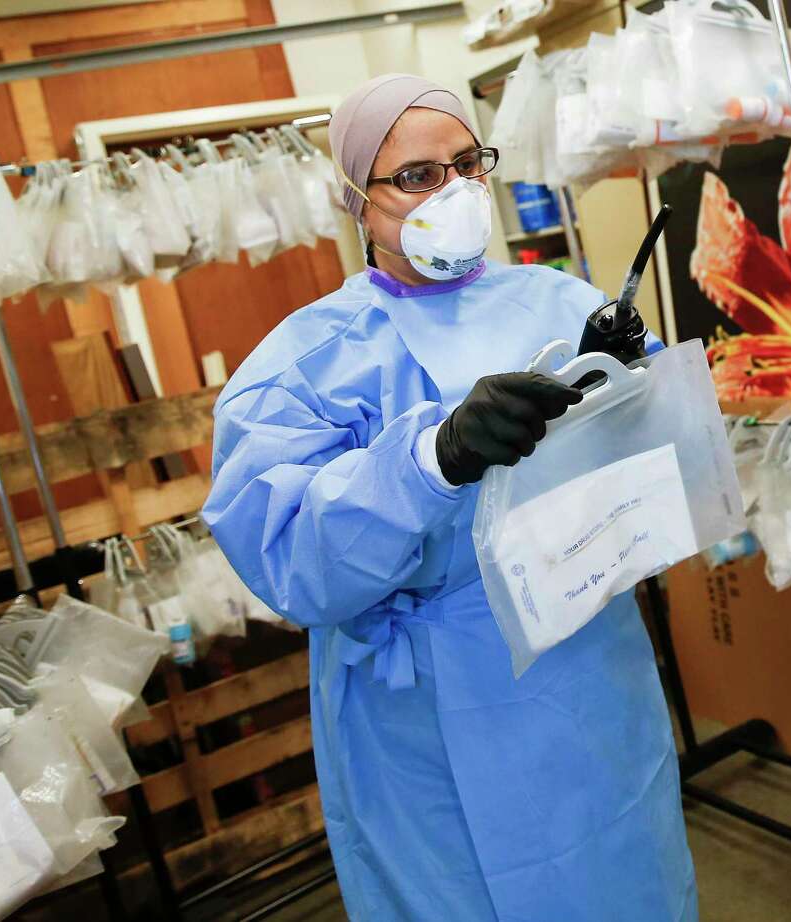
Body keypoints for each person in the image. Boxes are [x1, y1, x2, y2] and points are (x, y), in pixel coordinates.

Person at [203, 73, 697, 921]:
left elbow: (655, 464)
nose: (455, 193)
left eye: (468, 165)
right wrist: (433, 458)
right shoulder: (305, 361)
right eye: (418, 176)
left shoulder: (557, 298)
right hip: (429, 710)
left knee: (623, 873)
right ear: (356, 198)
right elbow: (290, 558)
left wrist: (622, 380)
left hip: (586, 670)